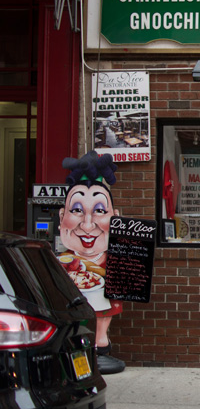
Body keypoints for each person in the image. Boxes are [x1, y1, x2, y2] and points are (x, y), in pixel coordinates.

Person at [59, 151, 126, 374]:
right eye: (76, 210)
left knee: (105, 309)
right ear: (62, 218)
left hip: (102, 292)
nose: (87, 225)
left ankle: (100, 343)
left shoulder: (114, 261)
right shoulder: (62, 262)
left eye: (99, 211)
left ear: (114, 216)